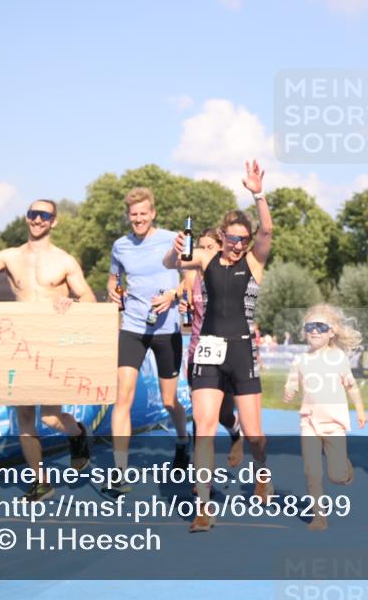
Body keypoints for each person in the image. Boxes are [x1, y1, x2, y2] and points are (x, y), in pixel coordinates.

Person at [0, 199, 93, 502]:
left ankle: (77, 434)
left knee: (49, 417)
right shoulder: (10, 256)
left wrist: (72, 302)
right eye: (32, 214)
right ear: (26, 218)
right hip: (20, 342)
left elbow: (88, 297)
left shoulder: (65, 261)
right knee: (25, 417)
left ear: (54, 221)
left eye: (44, 215)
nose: (37, 219)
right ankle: (40, 481)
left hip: (52, 341)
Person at [164, 160, 272, 532]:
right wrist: (173, 249)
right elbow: (173, 262)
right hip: (208, 349)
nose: (239, 244)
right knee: (204, 427)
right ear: (222, 236)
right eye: (234, 238)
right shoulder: (208, 258)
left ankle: (262, 471)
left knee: (255, 434)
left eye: (244, 239)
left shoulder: (254, 263)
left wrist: (257, 194)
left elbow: (268, 230)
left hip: (243, 351)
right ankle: (203, 507)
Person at [104, 187, 189, 496]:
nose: (138, 219)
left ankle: (182, 440)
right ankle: (120, 471)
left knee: (169, 401)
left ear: (153, 213)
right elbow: (113, 279)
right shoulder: (120, 246)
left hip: (167, 329)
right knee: (122, 398)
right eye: (133, 214)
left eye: (143, 213)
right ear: (129, 216)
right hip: (133, 328)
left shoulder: (172, 240)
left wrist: (173, 295)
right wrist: (113, 292)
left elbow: (190, 277)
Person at [283, 303, 367, 531]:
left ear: (332, 332)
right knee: (312, 471)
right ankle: (319, 516)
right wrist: (289, 390)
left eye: (321, 326)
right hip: (308, 422)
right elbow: (292, 382)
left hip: (334, 424)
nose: (314, 331)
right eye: (310, 326)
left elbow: (351, 387)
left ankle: (345, 470)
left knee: (336, 476)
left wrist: (360, 409)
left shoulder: (338, 357)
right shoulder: (299, 360)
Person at [181, 228, 244, 468]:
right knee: (201, 417)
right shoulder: (191, 275)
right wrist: (173, 298)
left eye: (210, 248)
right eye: (201, 248)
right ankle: (201, 482)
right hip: (198, 353)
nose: (204, 253)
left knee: (223, 415)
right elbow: (180, 293)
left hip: (226, 353)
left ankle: (235, 431)